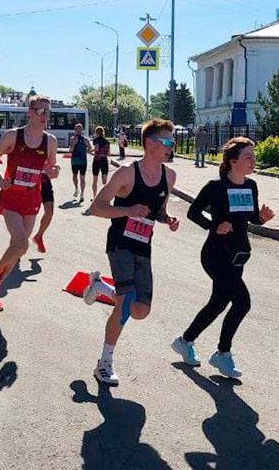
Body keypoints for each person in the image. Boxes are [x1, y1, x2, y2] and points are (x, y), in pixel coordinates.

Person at [81, 118, 180, 386]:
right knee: (126, 303)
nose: (172, 146)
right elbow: (97, 207)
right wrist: (127, 210)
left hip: (143, 246)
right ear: (150, 144)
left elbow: (159, 210)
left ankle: (100, 287)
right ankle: (104, 363)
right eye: (167, 142)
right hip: (120, 243)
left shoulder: (169, 177)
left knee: (140, 310)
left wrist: (167, 219)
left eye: (172, 141)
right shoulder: (126, 173)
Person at [170, 137, 274, 378]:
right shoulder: (215, 187)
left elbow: (250, 218)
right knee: (242, 302)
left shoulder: (251, 186)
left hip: (238, 255)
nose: (253, 161)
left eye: (253, 156)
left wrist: (262, 218)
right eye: (248, 156)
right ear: (233, 161)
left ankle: (185, 341)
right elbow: (193, 212)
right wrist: (213, 226)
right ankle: (222, 354)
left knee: (218, 303)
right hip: (216, 255)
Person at [0, 95, 59, 311]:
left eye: (48, 112)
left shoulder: (50, 141)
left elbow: (50, 170)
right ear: (30, 112)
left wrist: (54, 172)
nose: (45, 116)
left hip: (32, 198)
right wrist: (0, 181)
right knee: (22, 243)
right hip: (11, 196)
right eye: (40, 111)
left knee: (18, 249)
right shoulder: (12, 136)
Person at [32, 170, 57, 254]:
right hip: (29, 180)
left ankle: (39, 236)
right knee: (26, 214)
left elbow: (52, 165)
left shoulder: (48, 156)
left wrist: (55, 169)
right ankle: (18, 244)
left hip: (44, 182)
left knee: (49, 212)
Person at [69, 124, 91, 203]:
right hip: (74, 161)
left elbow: (90, 148)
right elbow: (70, 150)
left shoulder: (85, 139)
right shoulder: (72, 139)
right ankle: (76, 189)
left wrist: (88, 148)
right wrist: (73, 145)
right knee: (75, 176)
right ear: (75, 130)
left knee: (82, 178)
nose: (79, 130)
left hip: (83, 161)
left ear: (82, 130)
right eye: (77, 129)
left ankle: (82, 194)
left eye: (80, 129)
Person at [91, 126, 111, 201]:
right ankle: (104, 197)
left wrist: (92, 152)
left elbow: (96, 150)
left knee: (95, 179)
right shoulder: (107, 141)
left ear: (96, 132)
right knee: (104, 181)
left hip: (97, 161)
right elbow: (109, 153)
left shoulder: (96, 140)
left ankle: (94, 197)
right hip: (104, 161)